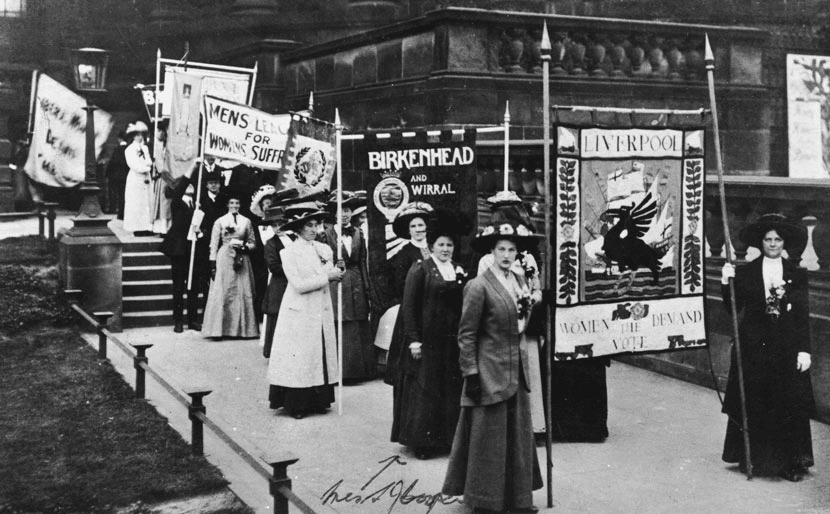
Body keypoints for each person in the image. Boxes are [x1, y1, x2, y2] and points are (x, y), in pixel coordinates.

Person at [442, 218, 543, 514]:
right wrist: (471, 373)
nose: (507, 255)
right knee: (489, 438)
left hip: (516, 367)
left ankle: (518, 499)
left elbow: (522, 322)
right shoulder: (478, 285)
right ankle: (486, 501)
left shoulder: (521, 281)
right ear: (491, 252)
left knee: (518, 437)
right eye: (501, 249)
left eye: (512, 249)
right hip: (489, 370)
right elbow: (467, 334)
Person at [720, 213, 814, 481]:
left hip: (785, 348)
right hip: (754, 346)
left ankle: (789, 462)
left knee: (785, 402)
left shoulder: (796, 274)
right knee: (756, 400)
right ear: (760, 242)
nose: (772, 244)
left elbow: (801, 315)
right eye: (767, 239)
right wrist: (727, 282)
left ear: (784, 243)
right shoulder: (747, 271)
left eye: (777, 239)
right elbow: (733, 307)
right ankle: (755, 459)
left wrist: (804, 350)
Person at [391, 209, 471, 459]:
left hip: (451, 342)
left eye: (449, 245)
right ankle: (423, 443)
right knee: (426, 390)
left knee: (449, 388)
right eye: (441, 244)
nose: (445, 249)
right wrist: (414, 340)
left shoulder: (458, 270)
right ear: (432, 246)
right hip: (427, 341)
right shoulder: (421, 269)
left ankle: (447, 440)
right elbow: (409, 308)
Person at [267, 202, 344, 419]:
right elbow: (299, 285)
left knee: (318, 353)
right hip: (299, 311)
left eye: (316, 225)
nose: (313, 229)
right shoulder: (288, 252)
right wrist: (326, 277)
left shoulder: (324, 249)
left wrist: (337, 272)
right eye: (308, 225)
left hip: (321, 309)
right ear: (298, 228)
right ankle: (296, 405)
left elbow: (330, 272)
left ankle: (318, 400)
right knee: (300, 356)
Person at [319, 191, 374, 382]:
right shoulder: (325, 235)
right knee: (340, 320)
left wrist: (367, 287)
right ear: (334, 213)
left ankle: (361, 370)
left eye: (348, 210)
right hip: (337, 282)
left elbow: (362, 262)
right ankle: (340, 372)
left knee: (358, 319)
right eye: (340, 210)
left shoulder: (359, 233)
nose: (344, 214)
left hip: (357, 280)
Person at [380, 202, 434, 383]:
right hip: (415, 308)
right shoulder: (403, 254)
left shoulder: (437, 249)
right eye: (413, 226)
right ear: (408, 230)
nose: (418, 229)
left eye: (421, 225)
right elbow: (399, 284)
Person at [202, 195, 259, 339]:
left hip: (241, 257)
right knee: (224, 290)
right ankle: (219, 330)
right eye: (232, 203)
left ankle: (243, 330)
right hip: (225, 257)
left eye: (237, 202)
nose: (234, 205)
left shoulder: (246, 221)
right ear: (227, 204)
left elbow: (253, 242)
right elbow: (213, 244)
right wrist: (212, 264)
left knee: (242, 290)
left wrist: (245, 248)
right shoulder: (220, 221)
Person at [158, 163, 200, 333]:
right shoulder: (177, 202)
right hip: (178, 249)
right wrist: (191, 169)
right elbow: (181, 187)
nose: (189, 186)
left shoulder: (197, 203)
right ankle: (178, 320)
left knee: (193, 286)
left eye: (192, 185)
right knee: (178, 286)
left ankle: (192, 319)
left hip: (193, 248)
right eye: (186, 185)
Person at [122, 121, 154, 235]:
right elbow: (134, 165)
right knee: (136, 202)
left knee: (146, 202)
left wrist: (147, 165)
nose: (140, 137)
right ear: (133, 136)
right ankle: (137, 228)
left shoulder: (145, 148)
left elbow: (149, 161)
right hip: (136, 178)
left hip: (146, 178)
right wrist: (146, 168)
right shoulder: (129, 149)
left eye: (141, 135)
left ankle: (146, 227)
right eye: (137, 135)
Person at [105, 130, 129, 220]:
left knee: (115, 194)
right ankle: (122, 213)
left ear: (119, 139)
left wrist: (107, 173)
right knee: (124, 195)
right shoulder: (129, 148)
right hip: (126, 176)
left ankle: (114, 209)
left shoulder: (117, 149)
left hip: (116, 176)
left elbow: (112, 162)